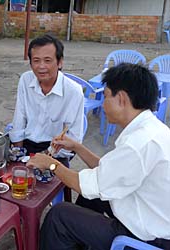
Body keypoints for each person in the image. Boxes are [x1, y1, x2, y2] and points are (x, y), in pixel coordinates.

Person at [27, 63, 170, 249]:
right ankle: (77, 241)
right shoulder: (150, 129)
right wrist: (77, 147)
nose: (103, 104)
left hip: (147, 236)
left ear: (121, 99)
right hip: (149, 215)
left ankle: (68, 237)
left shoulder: (139, 143)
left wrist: (52, 164)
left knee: (59, 216)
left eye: (106, 96)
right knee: (91, 196)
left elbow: (87, 183)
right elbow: (109, 172)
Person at [9, 34, 84, 166]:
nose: (41, 66)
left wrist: (46, 158)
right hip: (27, 143)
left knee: (47, 185)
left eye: (48, 60)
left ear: (60, 62)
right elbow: (19, 118)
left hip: (56, 152)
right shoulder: (25, 80)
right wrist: (18, 152)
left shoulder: (74, 92)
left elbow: (73, 139)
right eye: (36, 60)